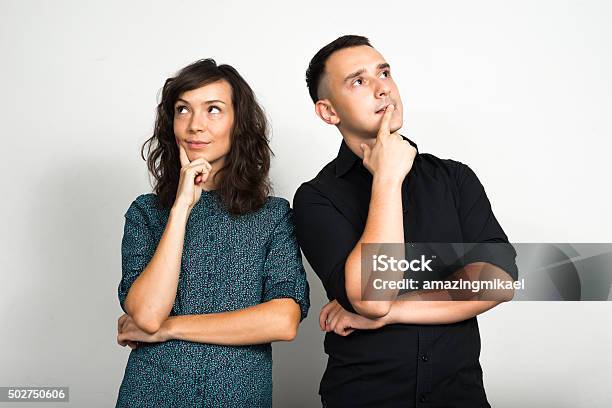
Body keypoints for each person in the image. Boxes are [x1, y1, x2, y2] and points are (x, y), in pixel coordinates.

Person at [293, 35, 518, 407]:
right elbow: (373, 295)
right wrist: (387, 179)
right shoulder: (316, 197)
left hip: (459, 396)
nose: (383, 88)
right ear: (328, 112)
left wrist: (390, 314)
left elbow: (499, 281)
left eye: (384, 72)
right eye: (359, 81)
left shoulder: (454, 178)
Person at [115, 58, 310, 407]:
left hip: (237, 395)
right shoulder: (146, 213)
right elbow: (146, 315)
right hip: (151, 393)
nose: (195, 126)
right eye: (183, 110)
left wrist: (169, 328)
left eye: (214, 110)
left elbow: (283, 320)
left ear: (239, 124)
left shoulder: (273, 215)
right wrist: (180, 210)